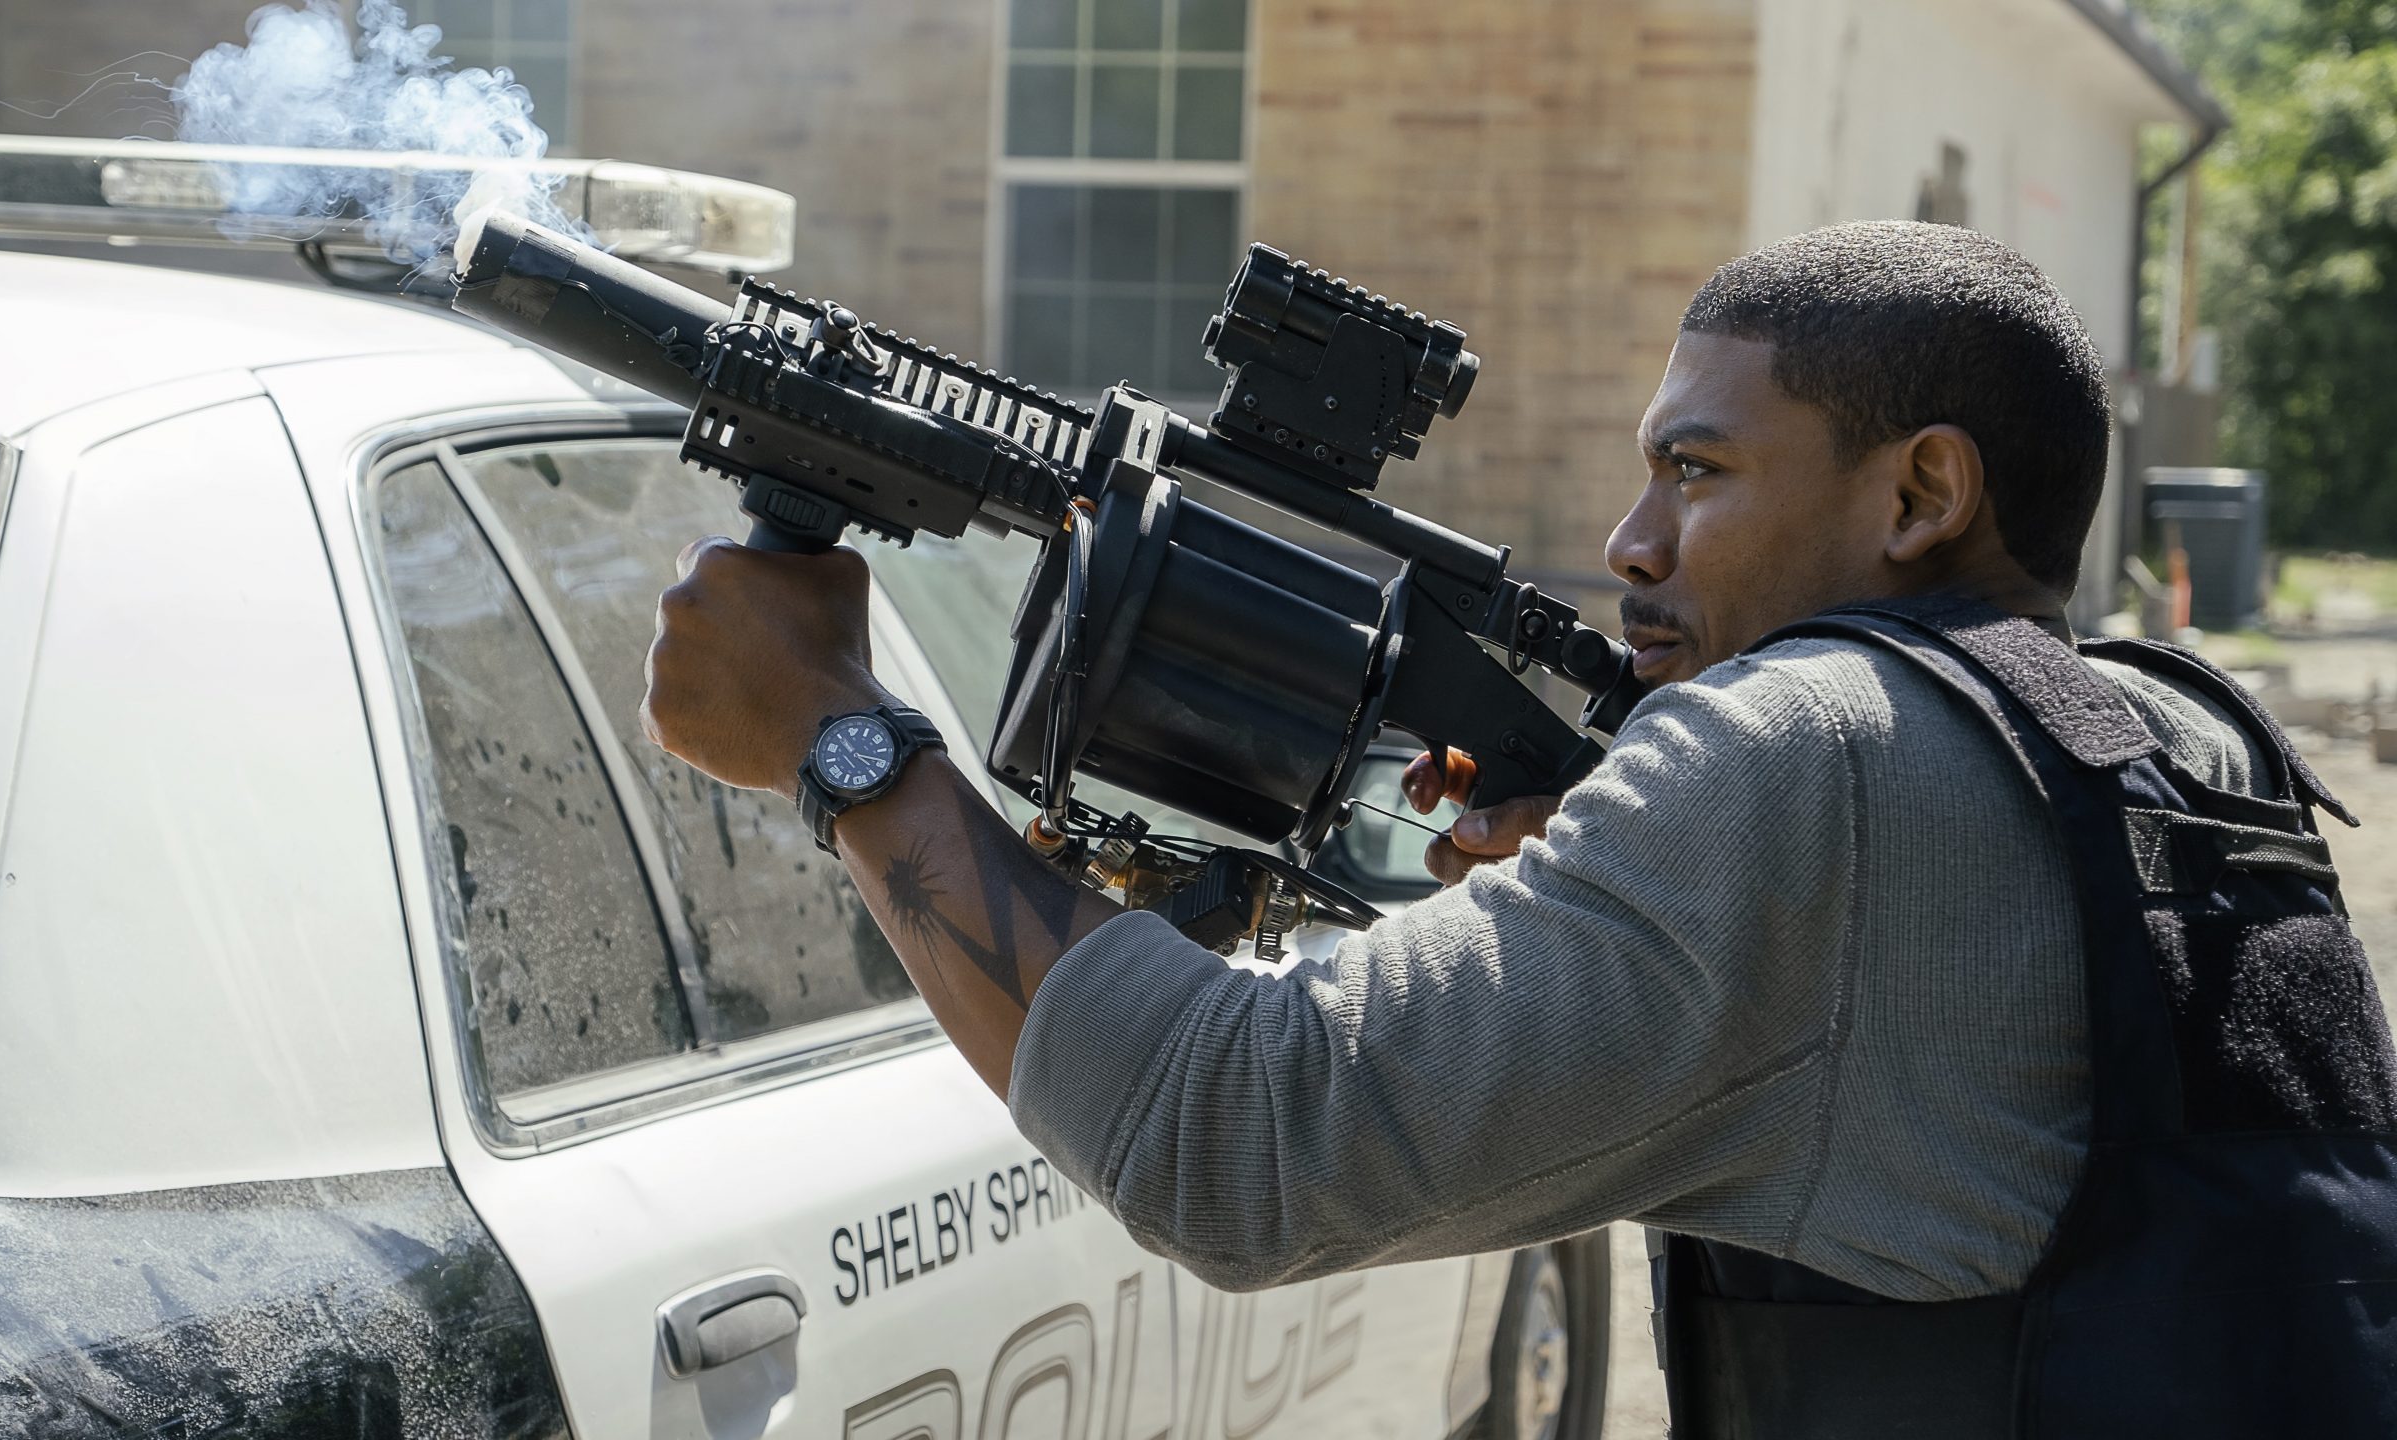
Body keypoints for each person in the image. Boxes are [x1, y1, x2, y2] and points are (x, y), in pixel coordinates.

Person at [641, 221, 2397, 1436]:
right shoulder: (2176, 733)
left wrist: (849, 744)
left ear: (1921, 493)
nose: (1632, 542)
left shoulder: (1804, 755)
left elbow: (1236, 1143)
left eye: (1698, 475)